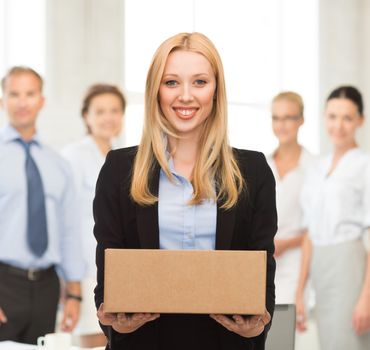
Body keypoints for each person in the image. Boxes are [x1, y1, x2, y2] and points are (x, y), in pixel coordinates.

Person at [94, 32, 277, 350]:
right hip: (144, 343)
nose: (186, 96)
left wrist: (257, 325)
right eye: (172, 82)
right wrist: (114, 319)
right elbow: (108, 265)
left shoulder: (254, 171)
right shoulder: (119, 169)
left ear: (216, 90)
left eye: (200, 82)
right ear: (156, 91)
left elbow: (263, 267)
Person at [0, 66, 85, 344]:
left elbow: (69, 230)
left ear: (41, 101)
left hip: (47, 287)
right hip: (4, 283)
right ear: (3, 101)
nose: (22, 102)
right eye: (14, 94)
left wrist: (74, 292)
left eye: (30, 93)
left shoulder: (57, 164)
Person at [296, 86, 370, 350]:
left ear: (360, 120)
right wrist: (299, 294)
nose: (338, 125)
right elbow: (308, 234)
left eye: (347, 118)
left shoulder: (364, 165)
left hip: (350, 266)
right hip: (319, 267)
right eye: (332, 116)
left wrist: (366, 298)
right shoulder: (317, 168)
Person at [62, 84, 126, 347]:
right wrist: (71, 284)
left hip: (119, 270)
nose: (108, 117)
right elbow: (68, 222)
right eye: (100, 111)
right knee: (89, 341)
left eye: (114, 110)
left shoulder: (125, 158)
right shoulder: (73, 157)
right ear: (86, 116)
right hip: (87, 270)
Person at [267, 92, 315, 304]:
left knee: (287, 331)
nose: (282, 125)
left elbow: (315, 229)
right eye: (276, 118)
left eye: (288, 118)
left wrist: (285, 244)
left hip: (298, 265)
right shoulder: (262, 164)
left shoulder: (314, 168)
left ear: (301, 120)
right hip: (264, 264)